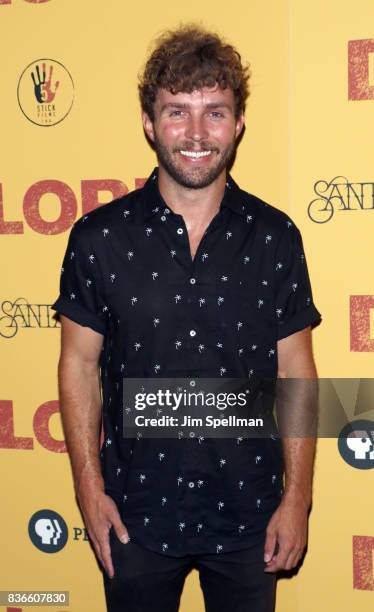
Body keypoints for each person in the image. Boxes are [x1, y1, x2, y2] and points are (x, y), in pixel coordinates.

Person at [51, 24, 321, 612]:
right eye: (177, 112)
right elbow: (78, 364)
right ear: (150, 123)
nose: (196, 134)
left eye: (215, 113)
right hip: (133, 515)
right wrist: (87, 489)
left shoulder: (276, 238)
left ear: (239, 123)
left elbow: (296, 370)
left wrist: (297, 497)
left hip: (252, 514)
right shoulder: (98, 238)